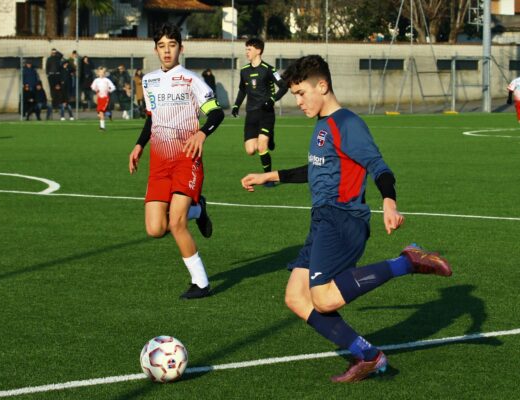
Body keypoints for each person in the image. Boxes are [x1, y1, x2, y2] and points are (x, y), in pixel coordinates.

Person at [240, 55, 453, 382]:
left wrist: (389, 203)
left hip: (343, 220)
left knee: (323, 299)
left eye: (300, 93)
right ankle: (369, 355)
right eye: (294, 94)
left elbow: (379, 168)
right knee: (297, 298)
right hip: (322, 221)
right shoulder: (323, 125)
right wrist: (267, 177)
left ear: (322, 86)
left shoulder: (348, 124)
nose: (297, 101)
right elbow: (315, 170)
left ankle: (406, 262)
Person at [128, 23, 225, 299]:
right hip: (159, 163)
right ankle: (199, 210)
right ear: (156, 49)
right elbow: (151, 119)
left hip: (186, 159)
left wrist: (202, 133)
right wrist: (138, 145)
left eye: (172, 45)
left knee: (176, 224)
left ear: (181, 48)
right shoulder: (149, 81)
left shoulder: (192, 80)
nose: (167, 50)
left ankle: (201, 283)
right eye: (162, 46)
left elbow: (215, 113)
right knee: (155, 228)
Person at [232, 38, 288, 186]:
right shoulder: (244, 70)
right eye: (246, 49)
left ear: (258, 50)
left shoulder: (269, 69)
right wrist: (236, 105)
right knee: (251, 150)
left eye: (249, 49)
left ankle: (268, 179)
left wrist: (273, 99)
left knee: (262, 146)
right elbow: (242, 90)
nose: (246, 52)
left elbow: (283, 86)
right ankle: (270, 135)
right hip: (251, 114)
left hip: (266, 112)